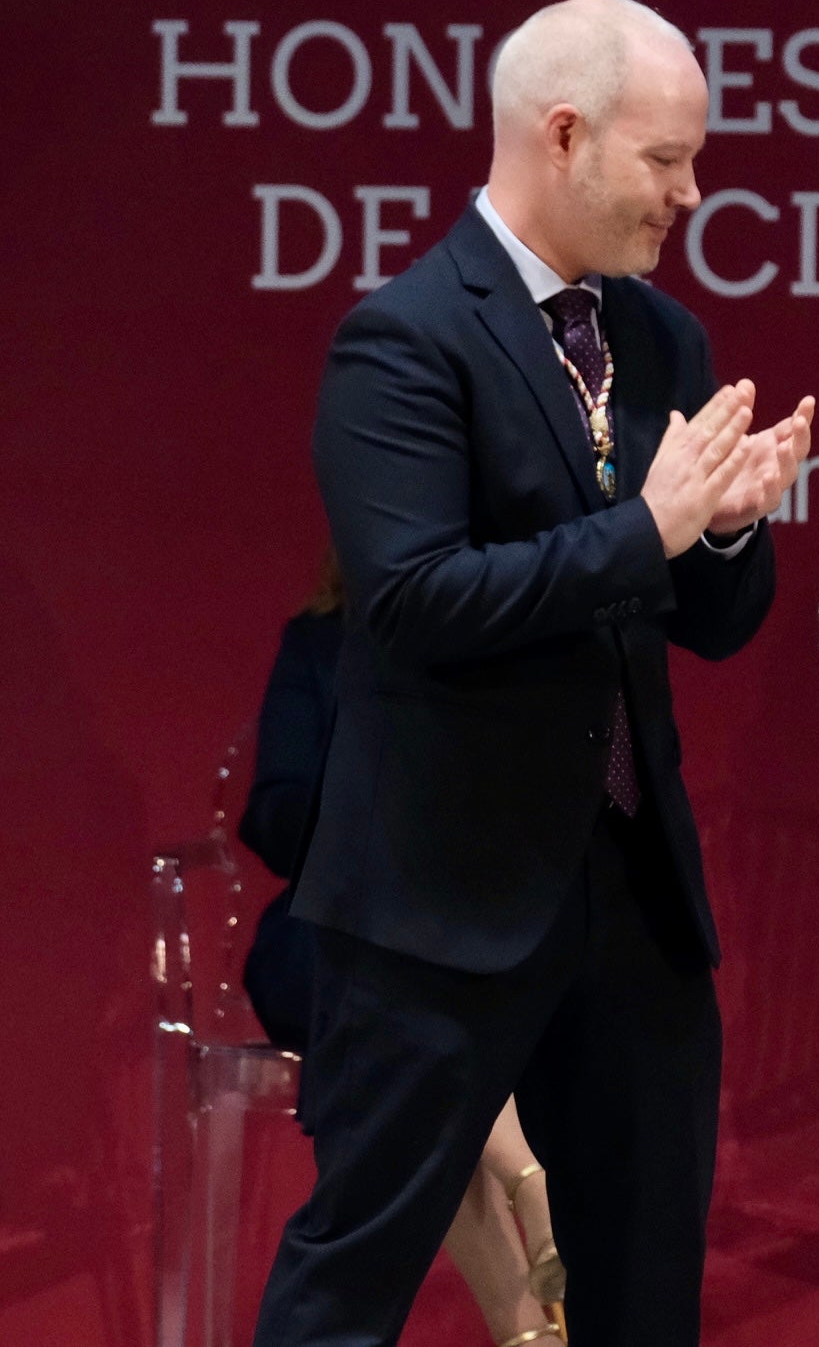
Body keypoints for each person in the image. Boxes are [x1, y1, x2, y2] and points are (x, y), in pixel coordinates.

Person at [251, 0, 813, 1347]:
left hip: (631, 900)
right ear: (564, 135)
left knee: (640, 1291)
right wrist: (647, 529)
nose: (692, 190)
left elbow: (711, 619)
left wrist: (726, 529)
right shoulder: (405, 340)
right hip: (442, 910)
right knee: (353, 1279)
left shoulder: (665, 339)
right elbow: (412, 600)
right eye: (666, 159)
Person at [239, 551, 570, 1344]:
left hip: (471, 928)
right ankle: (533, 1182)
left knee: (421, 1046)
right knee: (413, 1004)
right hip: (334, 929)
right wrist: (368, 816)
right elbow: (271, 809)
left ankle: (528, 1328)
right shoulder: (317, 643)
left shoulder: (492, 643)